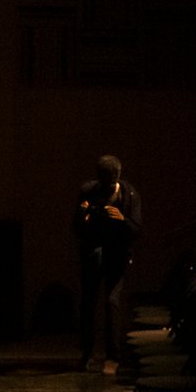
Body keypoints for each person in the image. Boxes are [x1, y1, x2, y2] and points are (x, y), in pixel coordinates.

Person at [75, 155, 142, 372]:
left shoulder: (129, 195)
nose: (107, 185)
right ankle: (87, 353)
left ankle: (113, 356)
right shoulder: (88, 192)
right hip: (94, 253)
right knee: (89, 302)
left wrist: (121, 219)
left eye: (110, 180)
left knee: (111, 301)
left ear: (117, 176)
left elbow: (136, 229)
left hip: (117, 254)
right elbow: (76, 227)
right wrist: (84, 215)